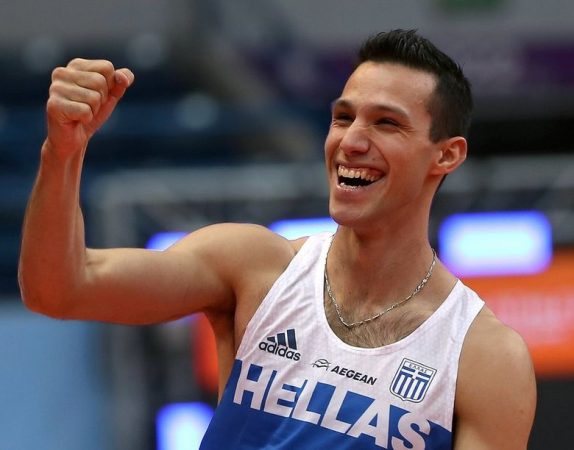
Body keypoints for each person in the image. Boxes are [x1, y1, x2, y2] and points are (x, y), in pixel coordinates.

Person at [19, 29, 536, 449]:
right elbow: (58, 288)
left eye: (386, 124)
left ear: (446, 155)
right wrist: (62, 153)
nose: (351, 141)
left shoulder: (483, 357)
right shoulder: (255, 266)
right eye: (343, 117)